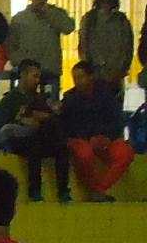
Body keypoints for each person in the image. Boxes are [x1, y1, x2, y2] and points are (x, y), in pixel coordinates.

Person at [57, 60, 134, 201]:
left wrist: (107, 137)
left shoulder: (106, 95)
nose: (77, 81)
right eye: (75, 78)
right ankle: (95, 190)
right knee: (84, 154)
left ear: (91, 77)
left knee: (126, 153)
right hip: (81, 139)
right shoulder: (69, 99)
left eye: (80, 77)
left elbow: (117, 120)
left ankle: (99, 189)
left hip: (106, 139)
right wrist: (89, 138)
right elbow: (67, 126)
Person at [0, 59, 70, 203]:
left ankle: (63, 191)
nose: (37, 81)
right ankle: (35, 191)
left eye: (38, 77)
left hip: (40, 137)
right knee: (34, 146)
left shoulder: (40, 99)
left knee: (62, 147)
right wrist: (24, 120)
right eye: (34, 76)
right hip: (19, 139)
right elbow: (4, 126)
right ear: (23, 75)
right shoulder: (10, 100)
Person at [6, 0, 74, 90]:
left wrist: (49, 13)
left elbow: (69, 28)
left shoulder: (56, 14)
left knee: (50, 99)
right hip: (28, 72)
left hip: (50, 70)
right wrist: (18, 62)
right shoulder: (19, 19)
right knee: (27, 98)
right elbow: (12, 43)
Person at [77, 0, 134, 90]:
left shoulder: (122, 20)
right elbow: (83, 46)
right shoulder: (89, 19)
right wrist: (88, 72)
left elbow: (128, 48)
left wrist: (121, 70)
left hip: (115, 77)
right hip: (93, 76)